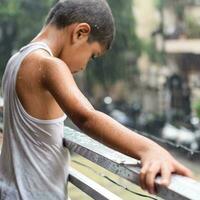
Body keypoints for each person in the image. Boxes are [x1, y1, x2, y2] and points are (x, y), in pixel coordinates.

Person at [0, 0, 193, 199]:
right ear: (80, 33)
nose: (85, 66)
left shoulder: (15, 61)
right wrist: (150, 149)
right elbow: (86, 117)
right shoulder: (49, 65)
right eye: (92, 55)